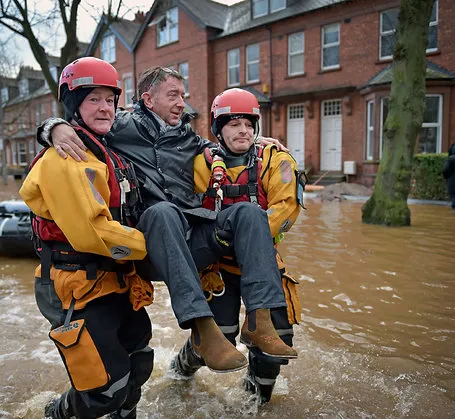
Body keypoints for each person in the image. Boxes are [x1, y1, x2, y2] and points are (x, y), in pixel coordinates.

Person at [37, 66, 298, 374]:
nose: (181, 103)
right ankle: (202, 328)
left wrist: (255, 139)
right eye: (173, 95)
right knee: (163, 210)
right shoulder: (118, 125)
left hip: (189, 239)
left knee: (249, 213)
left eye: (183, 96)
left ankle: (260, 321)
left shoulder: (190, 138)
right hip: (151, 244)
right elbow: (86, 121)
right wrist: (53, 127)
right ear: (148, 99)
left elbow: (224, 147)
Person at [20, 57, 154, 419]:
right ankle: (56, 414)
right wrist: (155, 249)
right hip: (74, 283)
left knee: (138, 366)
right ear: (74, 105)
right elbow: (93, 233)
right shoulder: (65, 157)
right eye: (93, 99)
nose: (105, 107)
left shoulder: (109, 149)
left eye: (110, 100)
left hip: (115, 280)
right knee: (106, 387)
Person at [170, 88, 305, 403]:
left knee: (278, 339)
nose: (243, 130)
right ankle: (181, 368)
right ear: (218, 129)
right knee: (220, 336)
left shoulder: (276, 159)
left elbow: (286, 210)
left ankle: (255, 399)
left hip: (262, 264)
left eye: (248, 123)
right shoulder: (199, 163)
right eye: (233, 124)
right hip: (217, 266)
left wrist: (246, 236)